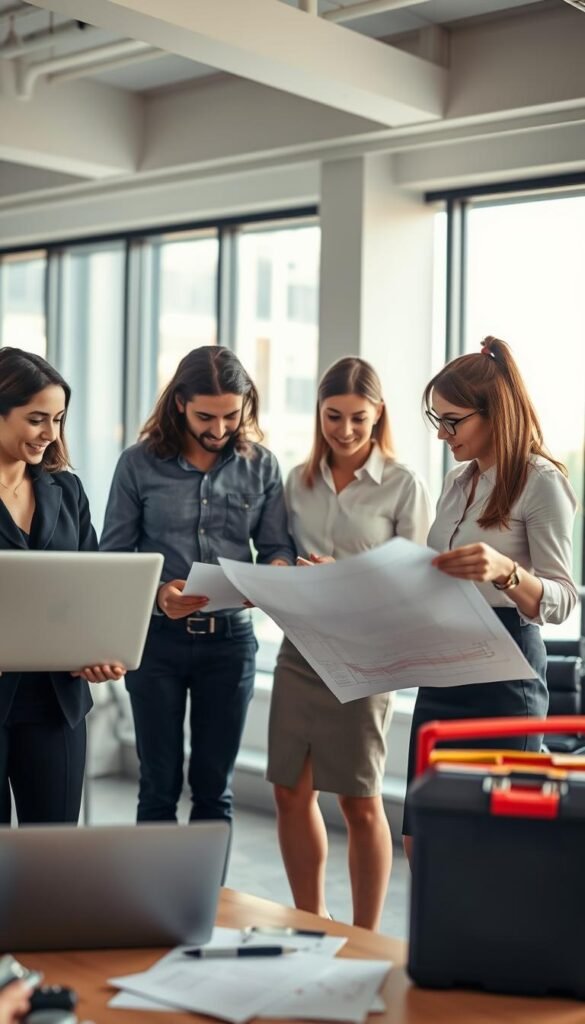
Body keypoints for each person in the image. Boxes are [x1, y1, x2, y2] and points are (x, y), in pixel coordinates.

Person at [268, 356, 431, 930]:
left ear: (378, 413)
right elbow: (279, 550)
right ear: (318, 413)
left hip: (366, 656)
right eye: (333, 416)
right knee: (289, 792)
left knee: (359, 801)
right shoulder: (298, 480)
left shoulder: (403, 485)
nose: (344, 429)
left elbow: (418, 581)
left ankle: (363, 935)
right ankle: (310, 920)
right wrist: (288, 570)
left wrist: (346, 573)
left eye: (357, 418)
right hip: (300, 650)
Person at [100, 345, 295, 825]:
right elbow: (114, 557)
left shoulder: (262, 466)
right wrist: (160, 594)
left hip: (229, 645)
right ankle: (154, 902)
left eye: (232, 415)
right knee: (158, 786)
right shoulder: (138, 465)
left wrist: (275, 574)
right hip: (157, 644)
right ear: (180, 403)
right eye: (206, 416)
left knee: (214, 792)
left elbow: (278, 548)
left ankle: (209, 903)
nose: (219, 429)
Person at [403, 336, 578, 859]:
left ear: (494, 412)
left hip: (506, 675)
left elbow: (564, 599)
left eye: (452, 420)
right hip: (443, 670)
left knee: (495, 848)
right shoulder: (458, 480)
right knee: (421, 841)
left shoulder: (541, 482)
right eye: (436, 419)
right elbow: (439, 570)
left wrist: (505, 572)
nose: (442, 433)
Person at [0, 348, 124, 826]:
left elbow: (90, 583)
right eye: (36, 419)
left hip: (57, 702)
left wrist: (98, 648)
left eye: (58, 419)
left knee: (52, 854)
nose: (50, 433)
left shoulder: (65, 490)